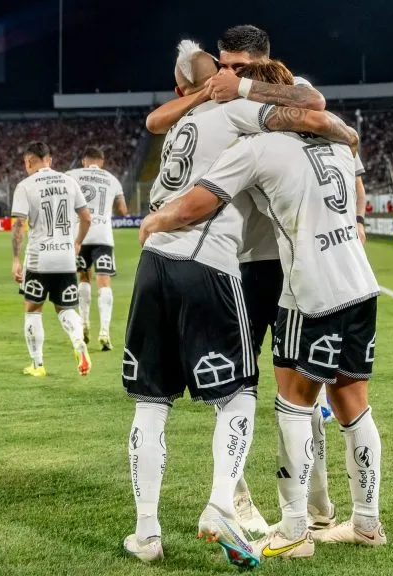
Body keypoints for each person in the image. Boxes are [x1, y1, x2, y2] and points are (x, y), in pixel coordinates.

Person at [121, 43, 358, 568]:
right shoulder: (237, 110)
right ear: (218, 79)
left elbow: (157, 117)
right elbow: (311, 109)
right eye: (226, 70)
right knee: (244, 392)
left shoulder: (184, 121)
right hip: (213, 262)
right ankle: (223, 504)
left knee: (151, 403)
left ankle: (146, 533)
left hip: (153, 263)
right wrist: (343, 131)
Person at [10, 141, 93, 377]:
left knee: (33, 310)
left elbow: (18, 225)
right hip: (66, 258)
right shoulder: (69, 181)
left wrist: (16, 259)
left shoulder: (25, 186)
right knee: (66, 308)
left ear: (28, 162)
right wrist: (77, 243)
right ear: (50, 160)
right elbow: (86, 218)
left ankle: (38, 365)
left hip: (39, 259)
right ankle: (79, 343)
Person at [66, 146, 128, 351]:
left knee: (83, 278)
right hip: (103, 237)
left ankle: (84, 323)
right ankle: (105, 331)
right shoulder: (112, 179)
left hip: (80, 235)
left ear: (84, 161)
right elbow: (123, 210)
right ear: (101, 161)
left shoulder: (72, 175)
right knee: (104, 281)